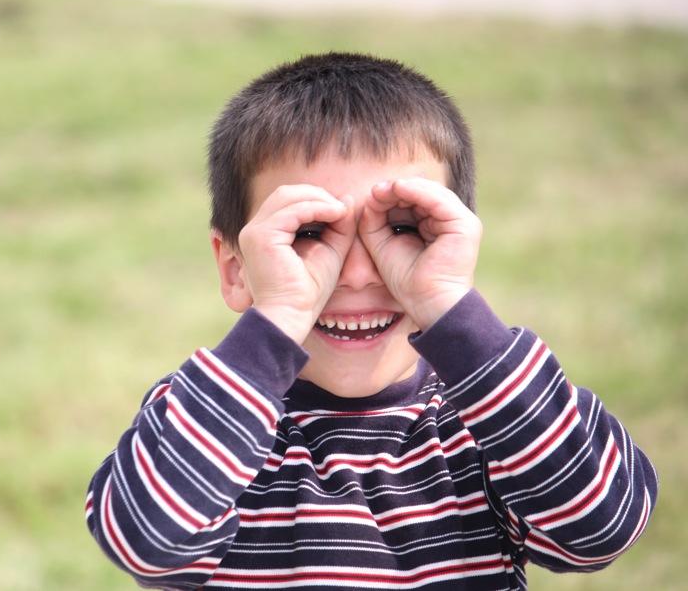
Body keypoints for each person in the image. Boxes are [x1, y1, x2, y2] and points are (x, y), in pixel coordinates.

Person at [84, 52, 658, 589]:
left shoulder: (493, 425)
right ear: (236, 268)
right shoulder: (214, 424)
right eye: (309, 232)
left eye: (404, 227)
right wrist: (280, 311)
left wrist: (451, 308)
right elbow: (146, 540)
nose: (357, 274)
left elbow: (600, 528)